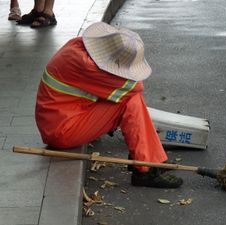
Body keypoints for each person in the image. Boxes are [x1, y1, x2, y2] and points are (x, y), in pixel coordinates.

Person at [35, 22, 183, 188]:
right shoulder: (86, 65)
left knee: (127, 99)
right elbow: (136, 87)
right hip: (61, 131)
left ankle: (148, 157)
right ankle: (145, 169)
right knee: (130, 100)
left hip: (59, 120)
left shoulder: (76, 46)